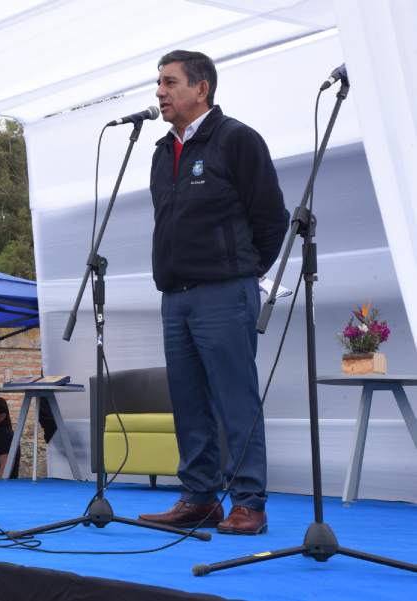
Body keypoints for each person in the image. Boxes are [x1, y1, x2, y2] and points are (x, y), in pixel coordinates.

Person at [138, 50, 289, 535]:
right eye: (158, 83)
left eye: (169, 82)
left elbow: (272, 219)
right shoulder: (162, 151)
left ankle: (249, 501)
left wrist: (243, 271)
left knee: (235, 399)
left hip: (225, 293)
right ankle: (200, 498)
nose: (159, 91)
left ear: (201, 88)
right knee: (188, 401)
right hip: (175, 296)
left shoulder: (237, 140)